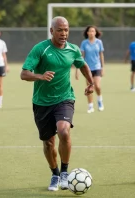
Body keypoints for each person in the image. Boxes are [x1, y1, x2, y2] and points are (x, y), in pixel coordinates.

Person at [20, 16, 94, 191]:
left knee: (63, 131)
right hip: (41, 102)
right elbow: (24, 74)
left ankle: (64, 173)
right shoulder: (41, 49)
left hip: (64, 98)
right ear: (52, 31)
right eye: (60, 30)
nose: (64, 33)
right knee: (48, 143)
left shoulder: (73, 49)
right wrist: (40, 76)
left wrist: (90, 83)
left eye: (66, 30)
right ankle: (54, 173)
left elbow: (82, 65)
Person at [75, 25, 105, 113]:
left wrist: (103, 67)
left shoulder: (99, 42)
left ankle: (100, 100)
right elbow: (81, 57)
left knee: (97, 86)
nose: (91, 33)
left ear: (95, 33)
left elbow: (101, 55)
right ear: (87, 33)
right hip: (87, 69)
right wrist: (77, 70)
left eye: (93, 31)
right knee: (89, 87)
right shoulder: (84, 43)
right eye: (90, 31)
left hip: (97, 67)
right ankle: (90, 106)